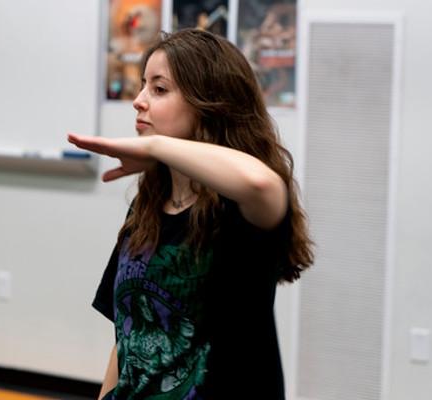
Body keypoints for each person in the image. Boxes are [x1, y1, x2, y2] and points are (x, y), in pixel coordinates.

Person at [67, 28, 313, 400]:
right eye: (143, 85)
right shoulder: (147, 208)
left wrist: (154, 146)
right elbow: (127, 339)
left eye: (159, 89)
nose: (138, 101)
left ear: (208, 102)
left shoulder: (241, 209)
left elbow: (261, 183)